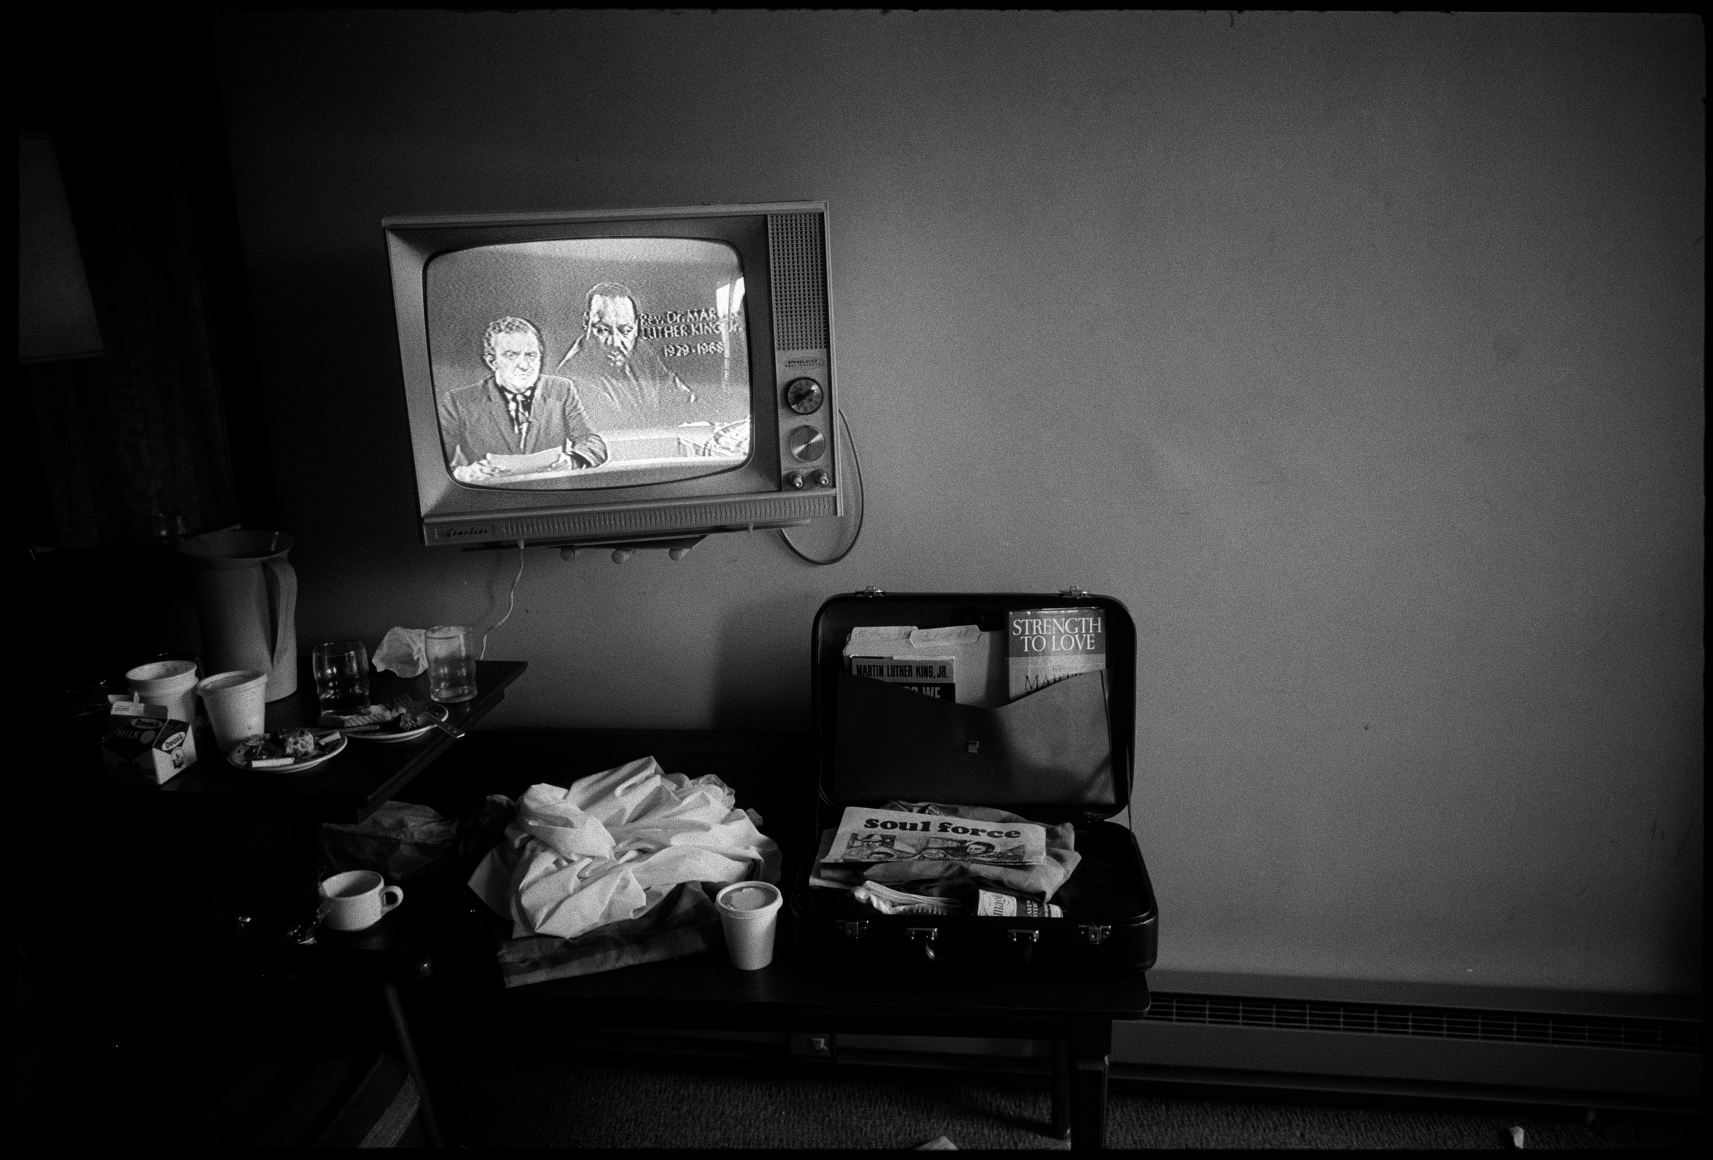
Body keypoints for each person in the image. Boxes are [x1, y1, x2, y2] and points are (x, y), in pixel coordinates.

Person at [439, 316, 608, 482]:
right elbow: (436, 466)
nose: (524, 365)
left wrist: (572, 461)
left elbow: (593, 443)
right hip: (493, 502)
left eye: (531, 355)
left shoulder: (562, 390)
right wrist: (464, 474)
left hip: (551, 499)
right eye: (511, 355)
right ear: (492, 361)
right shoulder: (458, 402)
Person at [556, 282, 742, 431]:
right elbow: (627, 432)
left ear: (636, 327)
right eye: (602, 330)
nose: (614, 342)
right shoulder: (570, 379)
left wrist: (718, 427)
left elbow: (683, 397)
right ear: (586, 322)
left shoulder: (640, 350)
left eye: (625, 330)